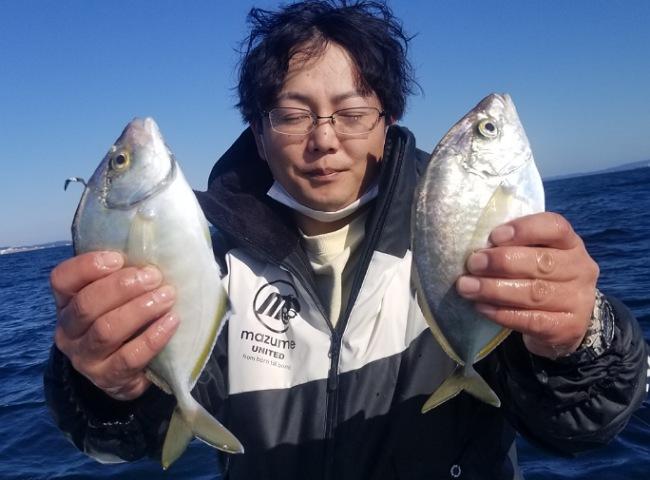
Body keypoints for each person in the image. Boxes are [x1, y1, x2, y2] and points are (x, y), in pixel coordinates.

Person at [44, 1, 648, 479]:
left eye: (353, 112)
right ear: (258, 134)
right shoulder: (208, 260)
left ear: (387, 121)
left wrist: (579, 339)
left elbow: (579, 428)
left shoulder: (462, 238)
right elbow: (124, 439)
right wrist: (106, 385)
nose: (325, 140)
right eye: (292, 115)